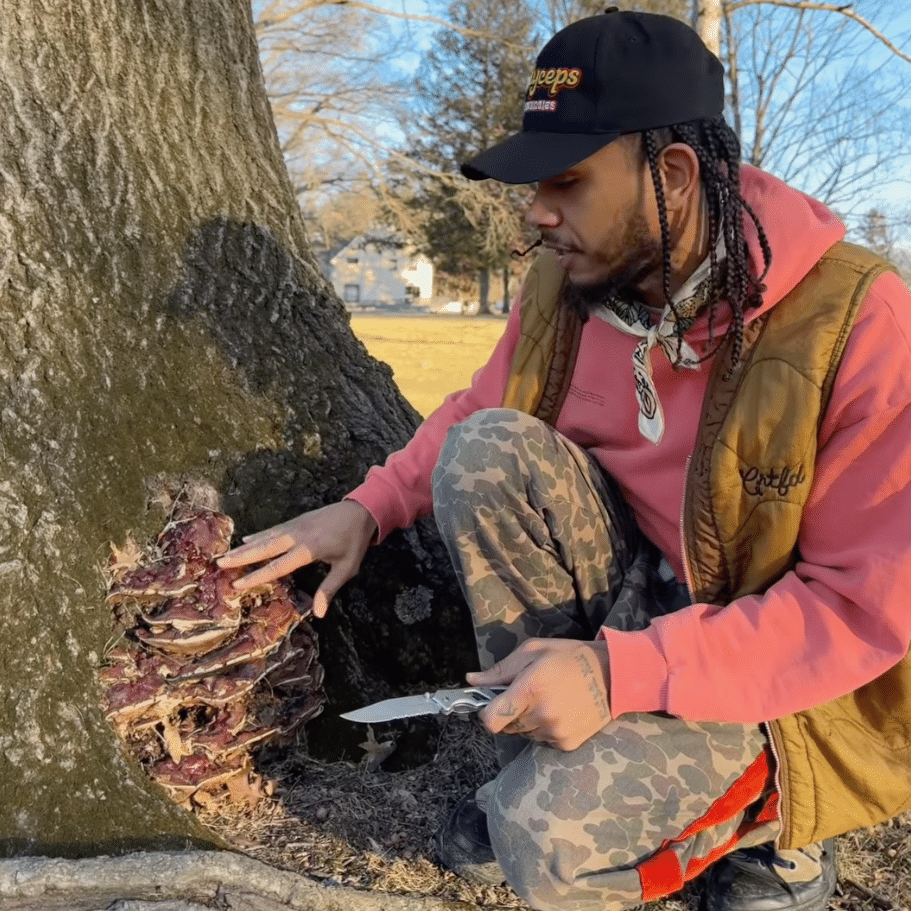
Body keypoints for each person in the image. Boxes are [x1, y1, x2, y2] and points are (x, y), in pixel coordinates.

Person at [218, 9, 911, 911]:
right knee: (486, 449)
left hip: (781, 674)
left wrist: (620, 674)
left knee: (545, 851)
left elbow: (859, 608)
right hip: (638, 594)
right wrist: (367, 506)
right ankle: (544, 765)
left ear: (671, 174)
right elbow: (479, 408)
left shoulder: (858, 322)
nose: (536, 213)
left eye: (567, 183)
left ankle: (774, 830)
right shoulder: (572, 282)